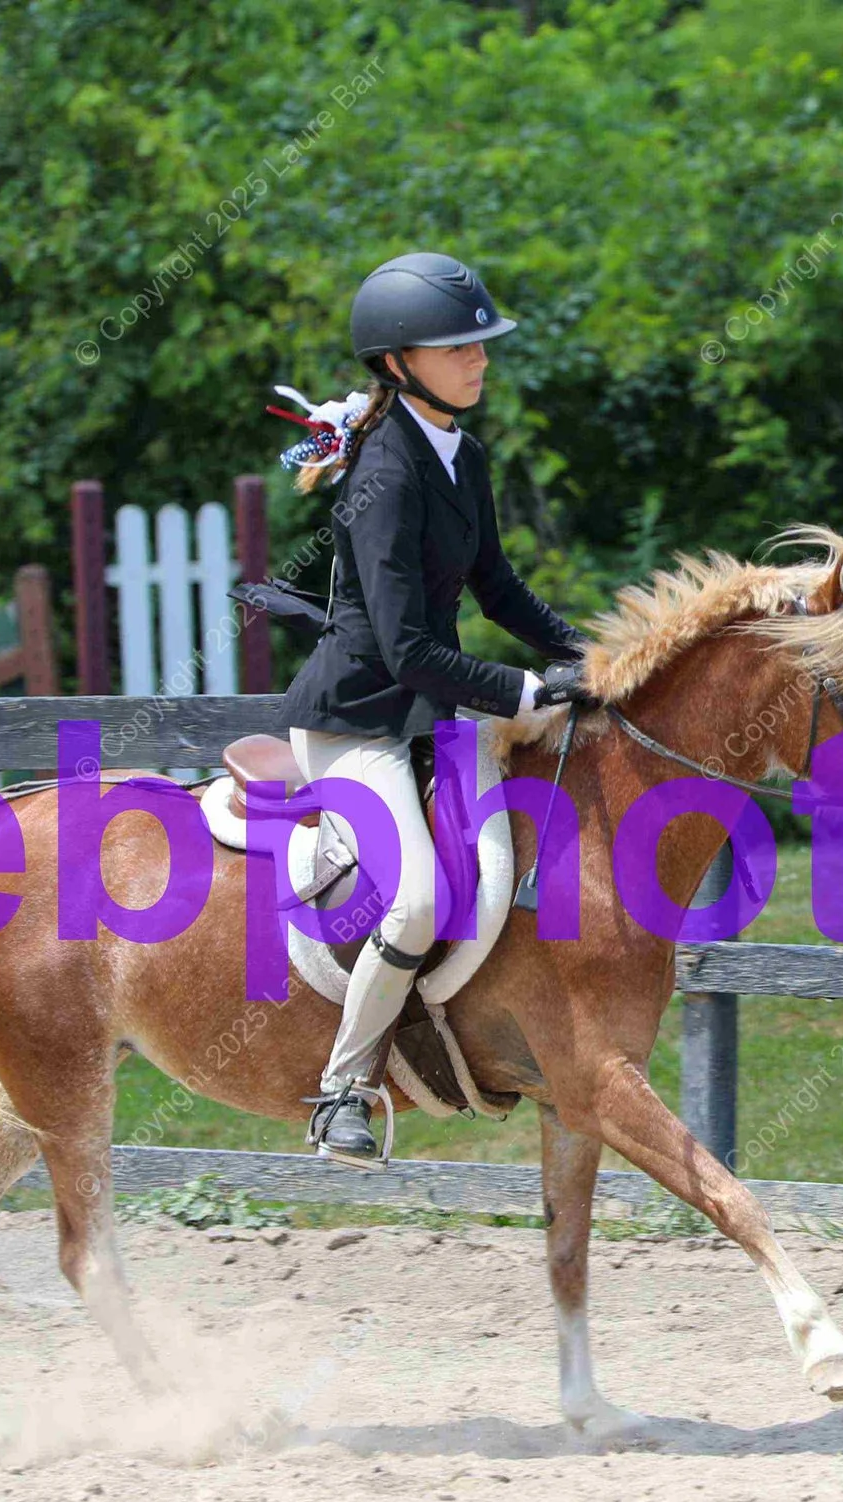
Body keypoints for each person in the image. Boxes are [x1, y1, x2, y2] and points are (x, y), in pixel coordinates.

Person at [275, 251, 599, 1165]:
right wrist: (526, 690)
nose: (479, 358)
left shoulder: (464, 454)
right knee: (415, 901)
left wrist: (589, 656)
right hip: (357, 718)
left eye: (480, 344)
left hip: (427, 716)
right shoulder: (384, 472)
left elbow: (498, 588)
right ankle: (342, 1092)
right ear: (398, 362)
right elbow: (408, 647)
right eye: (457, 346)